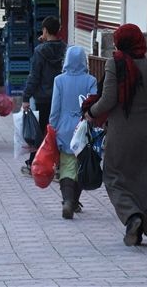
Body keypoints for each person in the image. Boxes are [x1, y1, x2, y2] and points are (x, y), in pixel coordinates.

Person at [84, 23, 147, 246]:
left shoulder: (114, 64)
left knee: (113, 176)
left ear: (121, 42)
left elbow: (108, 99)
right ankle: (140, 226)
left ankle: (131, 216)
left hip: (122, 130)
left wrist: (90, 113)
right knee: (145, 179)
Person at [49, 45, 97, 219]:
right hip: (83, 128)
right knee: (81, 166)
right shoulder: (90, 80)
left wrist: (52, 127)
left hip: (64, 128)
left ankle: (68, 201)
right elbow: (94, 105)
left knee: (67, 166)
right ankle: (74, 201)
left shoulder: (59, 80)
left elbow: (55, 108)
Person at [21, 16, 67, 174]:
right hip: (61, 97)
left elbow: (34, 76)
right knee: (57, 130)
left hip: (43, 97)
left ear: (45, 30)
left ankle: (36, 162)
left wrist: (26, 97)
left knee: (40, 131)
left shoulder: (40, 51)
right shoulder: (65, 49)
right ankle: (58, 162)